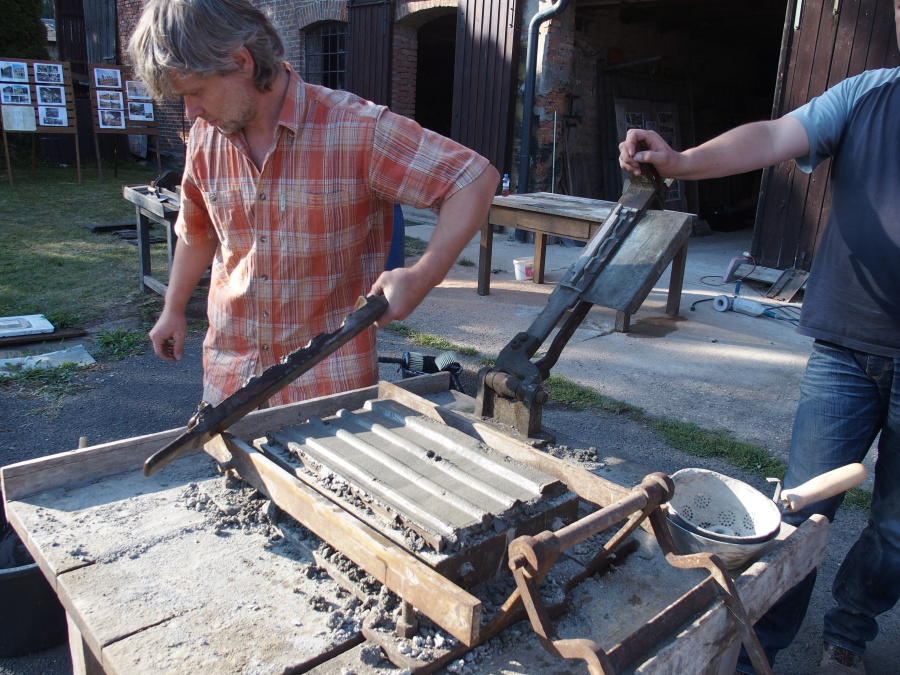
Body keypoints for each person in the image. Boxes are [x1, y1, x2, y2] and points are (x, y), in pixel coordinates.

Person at [620, 6, 900, 673]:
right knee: (799, 513)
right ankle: (758, 653)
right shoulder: (869, 94)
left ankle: (849, 632)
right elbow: (775, 135)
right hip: (846, 343)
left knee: (896, 531)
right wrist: (681, 162)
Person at [128, 0, 499, 408]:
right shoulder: (206, 135)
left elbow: (473, 178)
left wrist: (423, 275)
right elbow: (197, 229)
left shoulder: (355, 129)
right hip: (230, 379)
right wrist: (174, 308)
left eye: (195, 92)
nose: (190, 112)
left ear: (241, 61)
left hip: (326, 387)